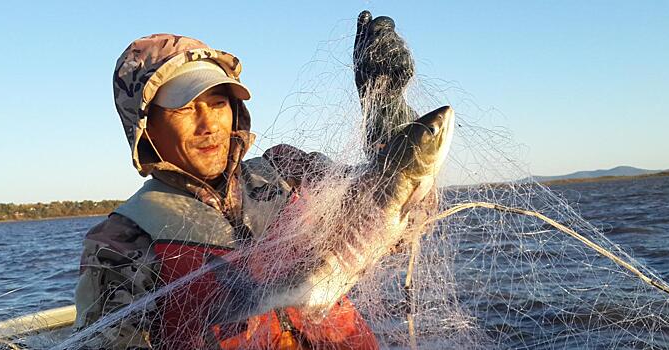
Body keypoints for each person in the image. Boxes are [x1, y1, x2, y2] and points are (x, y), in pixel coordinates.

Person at [74, 12, 414, 350]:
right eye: (185, 109)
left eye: (218, 103)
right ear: (145, 125)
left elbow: (397, 204)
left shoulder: (287, 169)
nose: (210, 125)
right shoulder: (120, 243)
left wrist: (386, 110)